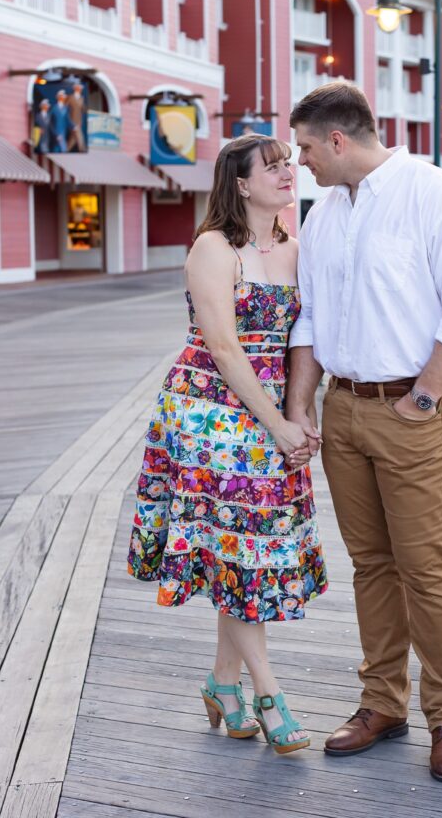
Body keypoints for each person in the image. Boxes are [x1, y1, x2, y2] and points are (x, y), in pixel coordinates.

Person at [286, 82, 442, 782]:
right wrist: (305, 406)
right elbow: (310, 319)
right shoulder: (323, 216)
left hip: (416, 409)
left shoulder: (433, 193)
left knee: (427, 567)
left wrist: (424, 397)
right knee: (372, 567)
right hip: (345, 410)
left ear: (339, 141)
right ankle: (382, 702)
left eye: (308, 147)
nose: (302, 161)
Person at [127, 134, 328, 754]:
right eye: (272, 167)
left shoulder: (298, 248)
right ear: (241, 184)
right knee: (236, 548)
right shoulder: (213, 248)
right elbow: (222, 346)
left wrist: (299, 413)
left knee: (241, 550)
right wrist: (275, 424)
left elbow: (305, 337)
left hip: (271, 410)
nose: (287, 173)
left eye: (288, 164)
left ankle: (222, 684)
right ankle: (268, 693)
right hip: (210, 411)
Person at [67, 81, 86, 152]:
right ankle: (82, 150)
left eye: (81, 88)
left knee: (73, 139)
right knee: (80, 137)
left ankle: (66, 149)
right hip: (72, 121)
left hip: (79, 122)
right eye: (79, 88)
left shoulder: (81, 98)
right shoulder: (70, 97)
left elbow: (83, 109)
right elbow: (65, 109)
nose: (81, 89)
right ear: (75, 88)